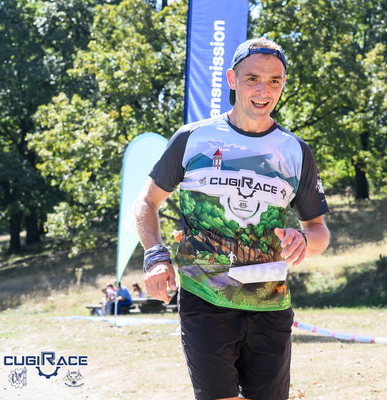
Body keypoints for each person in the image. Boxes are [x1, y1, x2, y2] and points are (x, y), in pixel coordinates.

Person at [134, 37, 330, 400]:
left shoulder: (295, 151)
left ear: (284, 84)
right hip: (205, 299)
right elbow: (147, 201)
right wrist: (155, 256)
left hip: (270, 303)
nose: (263, 91)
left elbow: (319, 231)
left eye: (274, 81)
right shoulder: (193, 139)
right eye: (253, 79)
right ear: (232, 79)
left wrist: (304, 241)